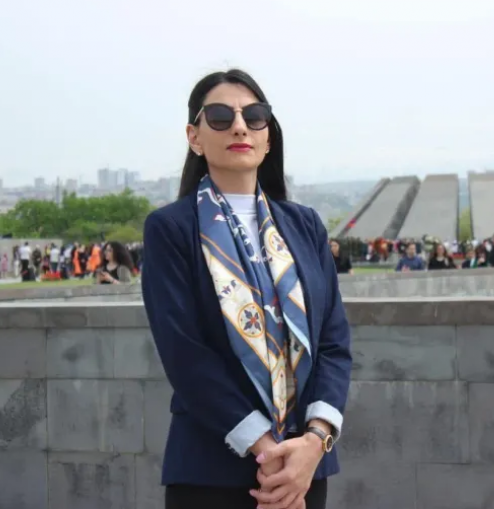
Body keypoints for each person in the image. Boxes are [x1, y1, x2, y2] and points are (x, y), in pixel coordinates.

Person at [142, 69, 351, 509]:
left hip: (303, 468)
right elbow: (184, 353)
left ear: (267, 136)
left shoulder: (305, 225)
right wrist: (265, 449)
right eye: (220, 116)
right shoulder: (171, 229)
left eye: (254, 116)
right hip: (211, 468)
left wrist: (315, 441)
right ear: (194, 137)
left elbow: (333, 341)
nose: (240, 126)